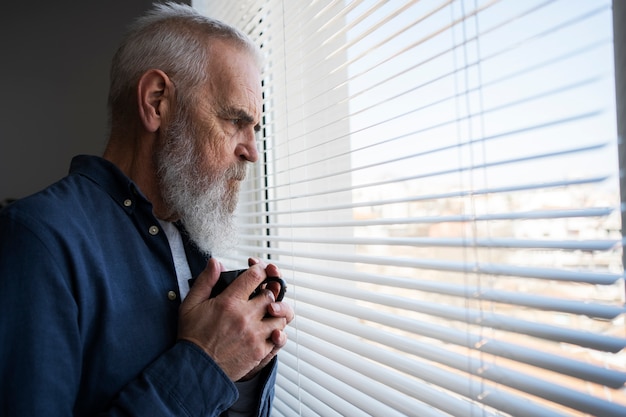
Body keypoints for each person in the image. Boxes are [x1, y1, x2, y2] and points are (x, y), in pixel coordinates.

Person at [0, 2, 294, 416]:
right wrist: (203, 365)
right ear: (157, 102)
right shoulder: (36, 241)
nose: (251, 152)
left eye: (255, 129)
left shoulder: (190, 238)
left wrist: (241, 364)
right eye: (234, 120)